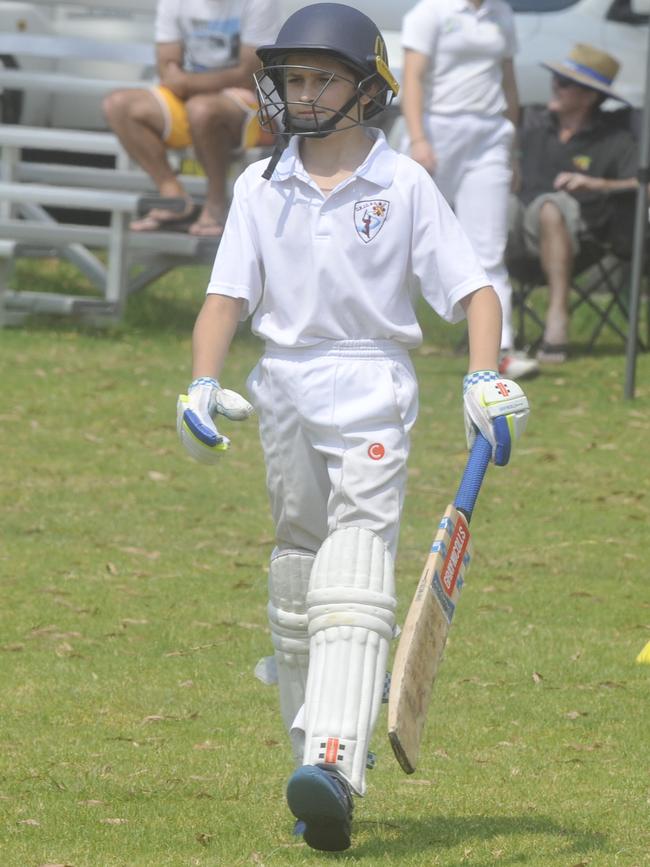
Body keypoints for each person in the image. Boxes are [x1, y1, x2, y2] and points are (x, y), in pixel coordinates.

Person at [176, 2, 530, 852]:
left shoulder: (401, 181)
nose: (303, 94)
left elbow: (474, 291)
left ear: (365, 89)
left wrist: (484, 374)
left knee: (355, 559)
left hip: (373, 379)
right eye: (293, 79)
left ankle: (338, 758)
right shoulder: (264, 185)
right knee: (299, 571)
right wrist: (200, 381)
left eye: (320, 78)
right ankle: (313, 761)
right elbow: (226, 295)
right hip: (285, 385)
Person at [399, 0, 539, 381]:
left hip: (490, 135)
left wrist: (514, 152)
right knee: (404, 239)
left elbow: (508, 81)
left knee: (488, 247)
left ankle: (500, 350)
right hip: (437, 130)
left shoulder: (502, 13)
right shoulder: (430, 12)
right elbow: (412, 77)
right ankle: (384, 335)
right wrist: (418, 138)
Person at [103, 0, 279, 237]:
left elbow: (250, 73)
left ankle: (216, 204)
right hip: (191, 99)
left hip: (250, 105)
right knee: (118, 105)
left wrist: (185, 83)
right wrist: (184, 84)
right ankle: (173, 197)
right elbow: (166, 64)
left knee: (201, 110)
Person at [509, 43, 639, 363]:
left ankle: (557, 319)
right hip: (518, 230)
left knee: (552, 206)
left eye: (564, 83)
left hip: (580, 237)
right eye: (555, 79)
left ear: (589, 96)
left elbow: (642, 184)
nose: (555, 86)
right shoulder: (533, 124)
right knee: (494, 205)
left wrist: (599, 183)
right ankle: (493, 330)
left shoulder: (615, 140)